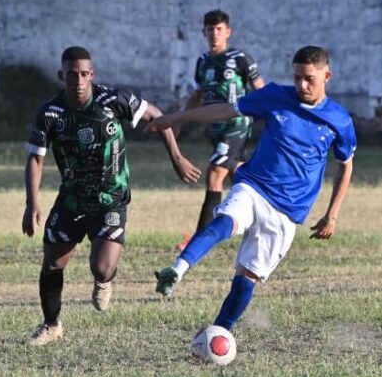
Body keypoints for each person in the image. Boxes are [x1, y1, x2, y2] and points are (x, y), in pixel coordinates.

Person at [150, 46, 355, 335]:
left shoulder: (340, 120)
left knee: (246, 277)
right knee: (226, 219)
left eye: (309, 78)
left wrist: (331, 215)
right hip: (254, 186)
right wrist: (177, 118)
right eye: (296, 77)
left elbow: (345, 167)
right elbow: (226, 109)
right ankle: (178, 269)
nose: (301, 85)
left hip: (288, 211)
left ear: (326, 76)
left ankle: (219, 333)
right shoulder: (275, 96)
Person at [22, 46, 201, 346]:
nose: (79, 81)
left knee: (102, 267)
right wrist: (32, 203)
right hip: (72, 199)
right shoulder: (51, 113)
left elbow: (156, 115)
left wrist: (177, 157)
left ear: (92, 74)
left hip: (111, 198)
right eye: (72, 75)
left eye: (84, 74)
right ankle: (51, 325)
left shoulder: (113, 100)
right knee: (52, 263)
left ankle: (104, 281)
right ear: (61, 75)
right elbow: (35, 158)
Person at [176, 10, 265, 249]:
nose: (214, 34)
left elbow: (261, 89)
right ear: (203, 32)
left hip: (236, 124)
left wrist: (272, 117)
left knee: (215, 174)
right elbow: (197, 94)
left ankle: (198, 240)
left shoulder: (240, 58)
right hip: (215, 128)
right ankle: (262, 227)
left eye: (219, 29)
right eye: (210, 29)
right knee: (241, 177)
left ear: (228, 32)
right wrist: (179, 121)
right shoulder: (203, 61)